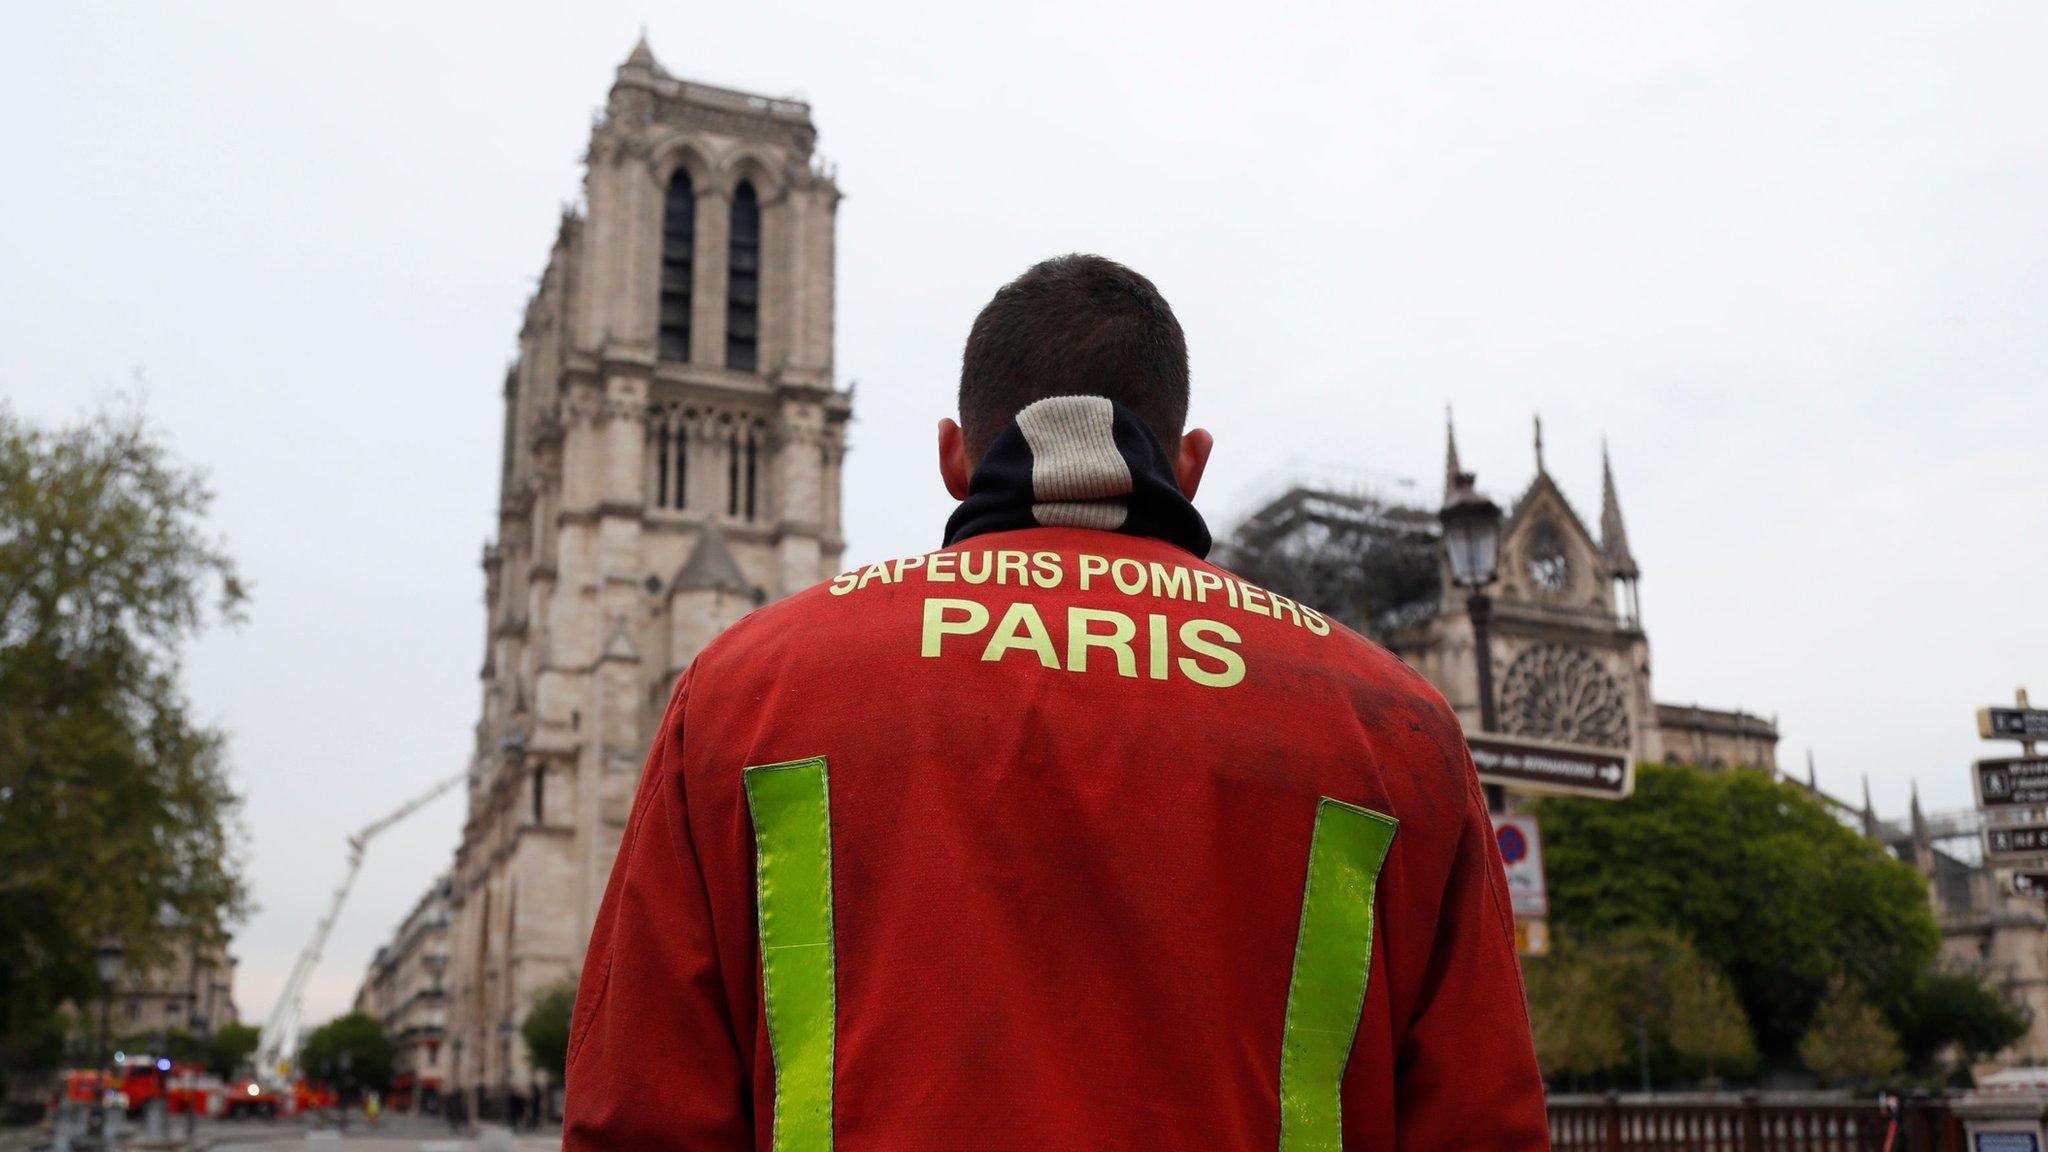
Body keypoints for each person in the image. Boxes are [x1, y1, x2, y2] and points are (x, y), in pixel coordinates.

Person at [564, 255, 1549, 1149]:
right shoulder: (1394, 726)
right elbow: (1483, 1125)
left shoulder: (742, 694)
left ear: (954, 456)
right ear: (1190, 462)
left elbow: (637, 1115)